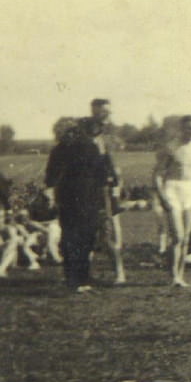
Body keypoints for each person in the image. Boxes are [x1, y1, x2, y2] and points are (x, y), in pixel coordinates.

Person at [43, 98, 119, 292]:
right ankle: (75, 279)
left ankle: (82, 278)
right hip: (72, 199)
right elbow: (51, 176)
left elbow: (103, 173)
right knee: (73, 238)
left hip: (88, 198)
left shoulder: (92, 147)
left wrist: (109, 185)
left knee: (85, 238)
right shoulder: (66, 149)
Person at [153, 115, 191, 287]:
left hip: (189, 190)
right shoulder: (170, 148)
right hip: (172, 189)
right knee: (178, 236)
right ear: (181, 129)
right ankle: (173, 275)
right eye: (188, 128)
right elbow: (158, 175)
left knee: (186, 237)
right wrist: (163, 197)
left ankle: (180, 276)